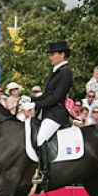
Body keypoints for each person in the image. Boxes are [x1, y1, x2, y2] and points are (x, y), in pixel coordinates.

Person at [32, 41, 73, 188]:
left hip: (56, 113)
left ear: (62, 55)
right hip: (47, 112)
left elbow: (56, 97)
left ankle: (45, 174)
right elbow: (47, 95)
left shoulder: (66, 72)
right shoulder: (55, 72)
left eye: (53, 54)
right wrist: (30, 100)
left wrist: (36, 104)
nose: (50, 57)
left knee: (41, 137)